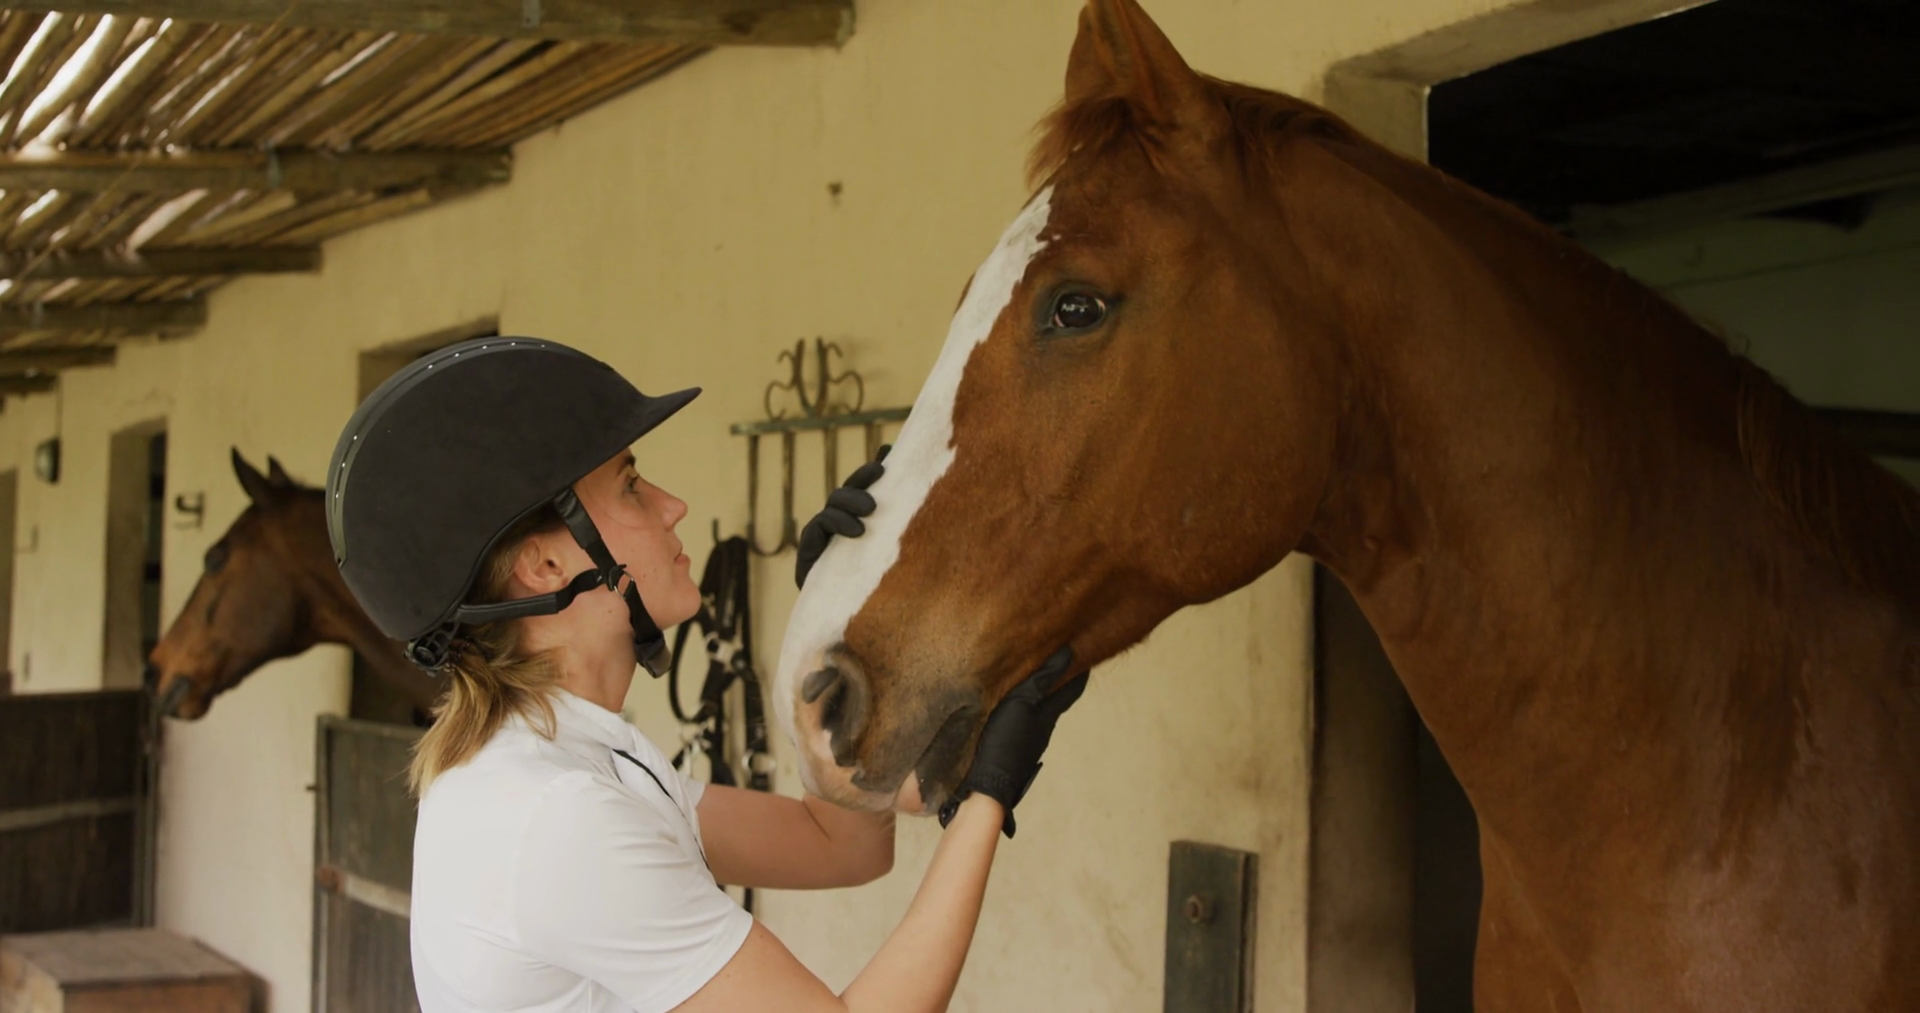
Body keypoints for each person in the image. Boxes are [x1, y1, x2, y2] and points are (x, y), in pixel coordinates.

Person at [325, 336, 1087, 1013]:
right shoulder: (556, 816)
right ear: (545, 565)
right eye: (630, 485)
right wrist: (988, 794)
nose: (673, 506)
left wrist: (841, 617)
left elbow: (841, 843)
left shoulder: (575, 761)